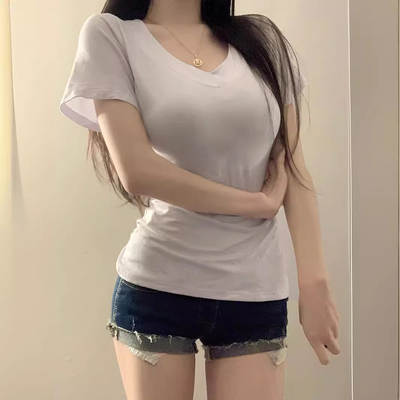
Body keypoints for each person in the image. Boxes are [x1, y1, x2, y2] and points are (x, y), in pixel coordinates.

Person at [59, 0, 341, 398]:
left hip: (254, 289)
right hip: (158, 288)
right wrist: (254, 204)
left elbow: (293, 170)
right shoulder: (111, 35)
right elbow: (137, 170)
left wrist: (314, 284)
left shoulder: (264, 42)